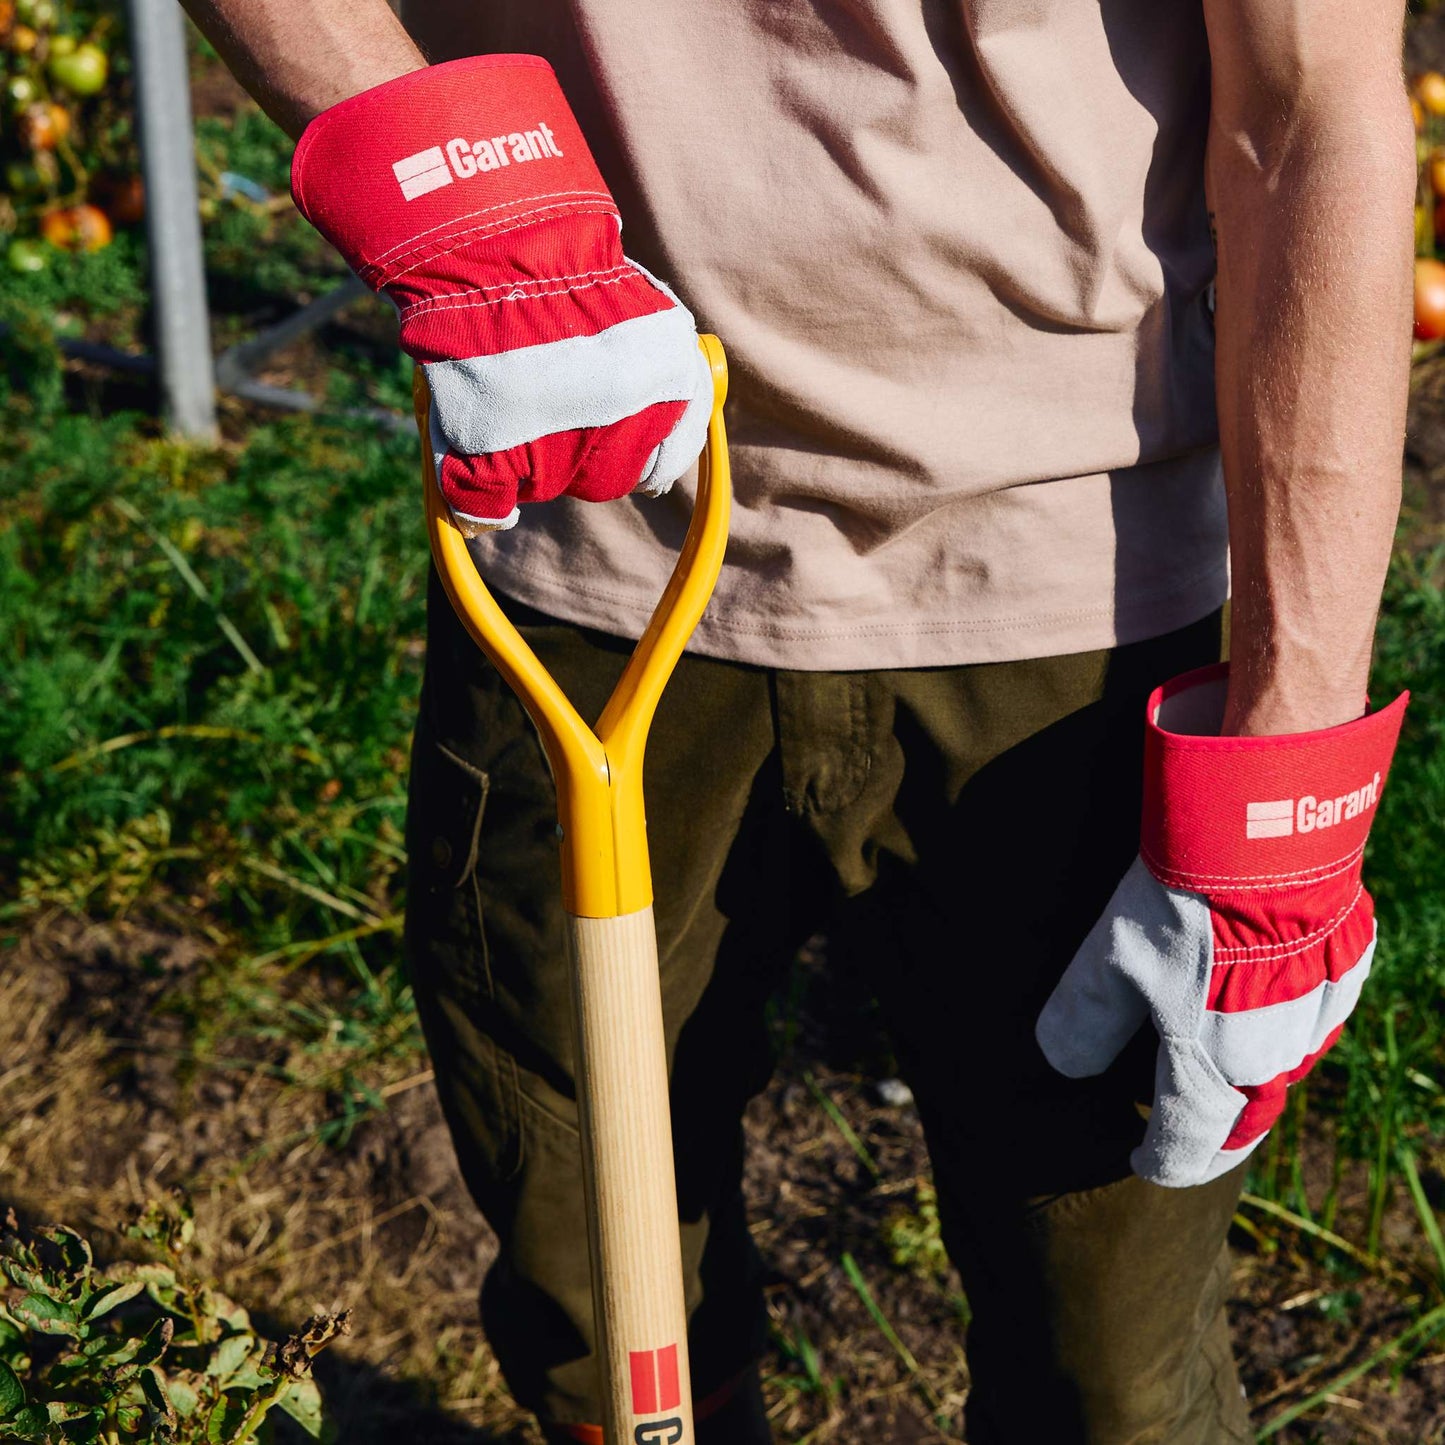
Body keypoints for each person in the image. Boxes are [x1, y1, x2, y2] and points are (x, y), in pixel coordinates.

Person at [183, 0, 1414, 1439]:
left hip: (1075, 602)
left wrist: (1289, 759)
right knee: (604, 1313)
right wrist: (457, 203)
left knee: (1112, 1374)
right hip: (599, 534)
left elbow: (1307, 111)